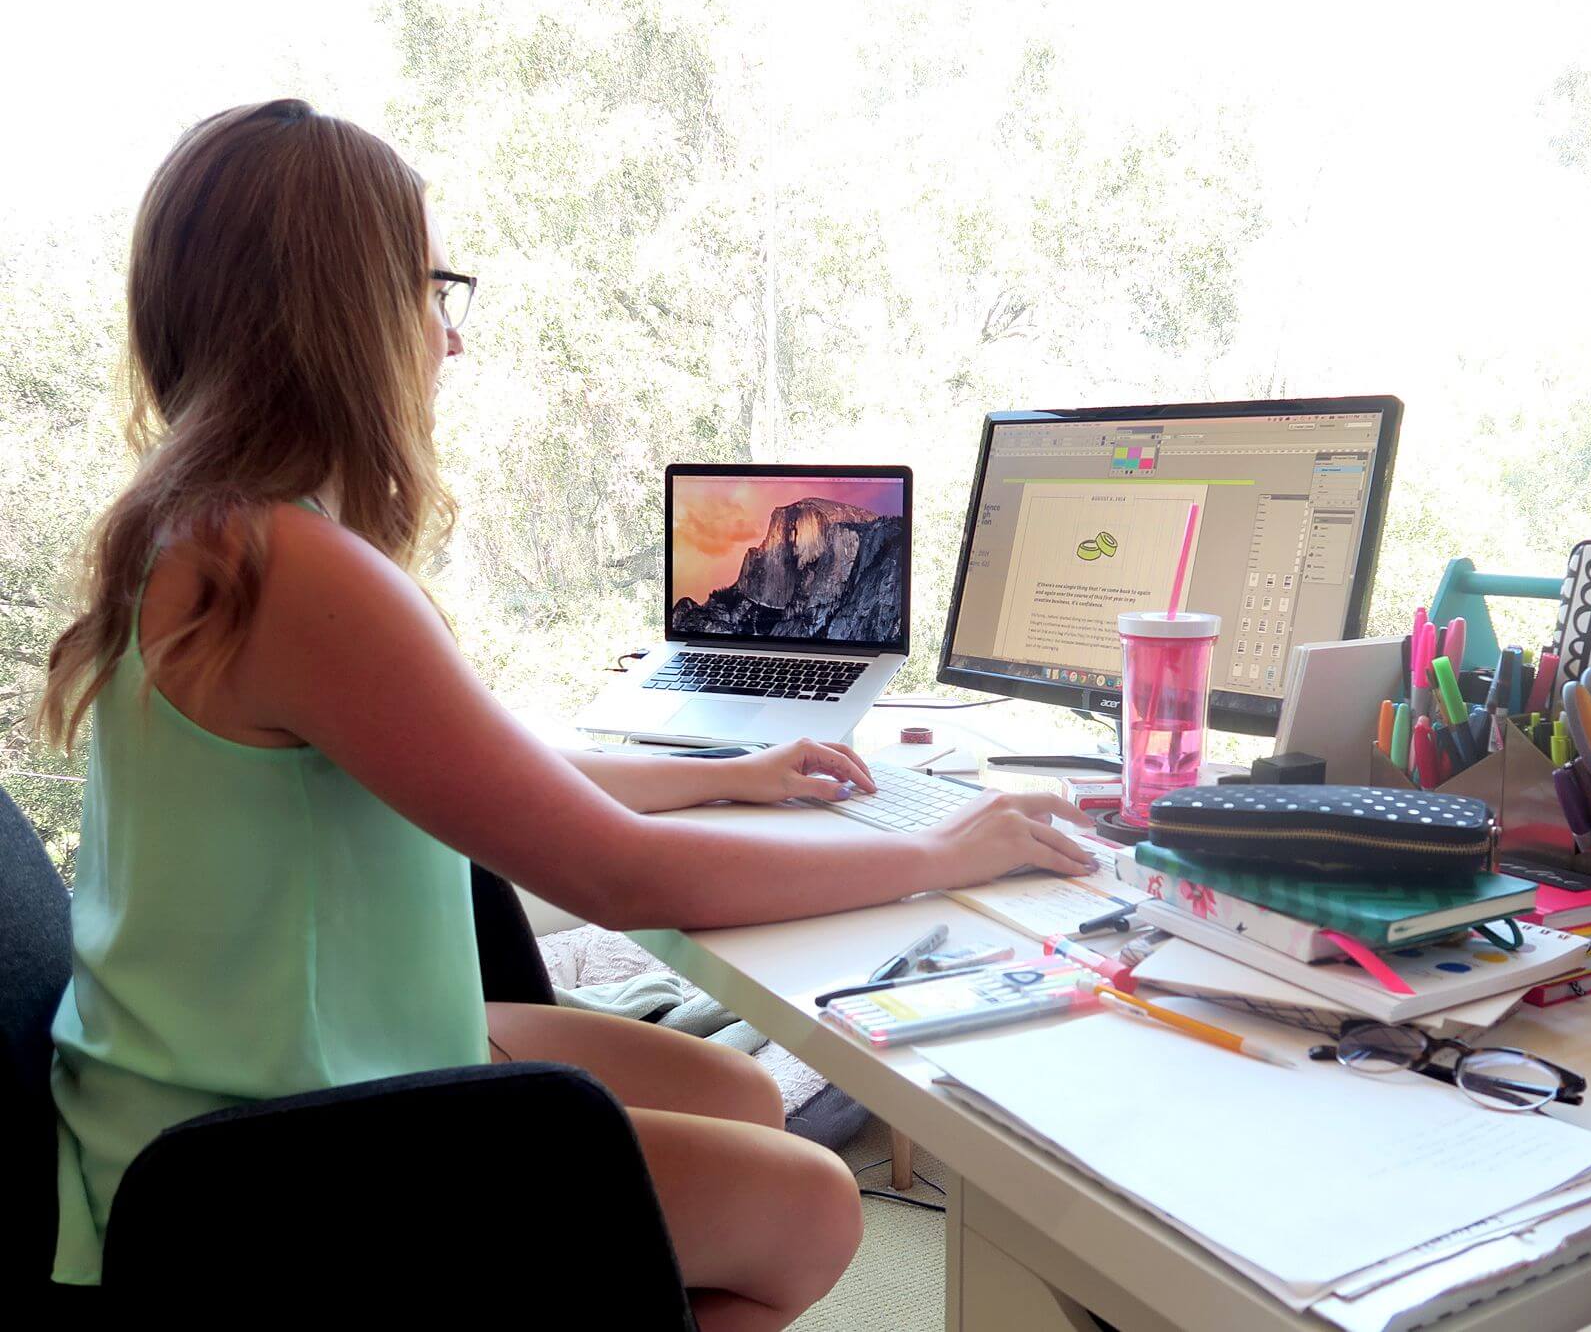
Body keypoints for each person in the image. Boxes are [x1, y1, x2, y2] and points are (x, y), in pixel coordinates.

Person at [36, 99, 1095, 1325]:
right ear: (342, 309)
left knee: (743, 1097)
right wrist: (938, 854)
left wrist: (727, 774)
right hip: (259, 1164)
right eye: (431, 290)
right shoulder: (291, 568)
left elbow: (495, 776)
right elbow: (616, 876)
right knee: (810, 1208)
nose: (448, 337)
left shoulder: (202, 534)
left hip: (236, 1081)